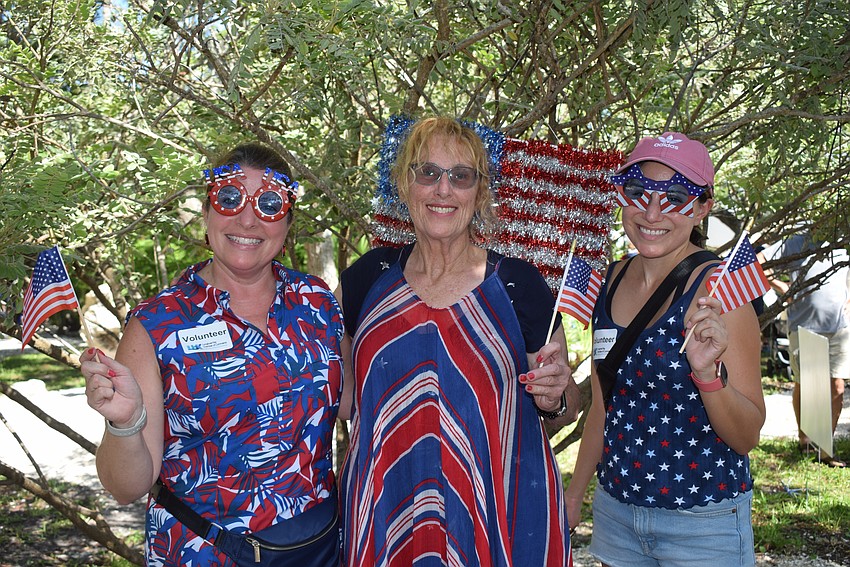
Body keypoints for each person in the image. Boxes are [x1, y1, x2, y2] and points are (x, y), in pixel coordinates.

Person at [80, 142, 345, 566]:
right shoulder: (156, 324)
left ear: (288, 223)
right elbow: (126, 487)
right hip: (205, 552)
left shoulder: (317, 302)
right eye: (229, 197)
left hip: (317, 549)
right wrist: (126, 422)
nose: (247, 217)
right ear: (206, 214)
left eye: (270, 204)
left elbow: (353, 403)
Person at [337, 117, 580, 566]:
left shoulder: (519, 285)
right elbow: (344, 395)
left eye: (460, 176)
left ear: (481, 192)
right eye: (428, 172)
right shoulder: (365, 280)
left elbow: (564, 401)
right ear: (404, 183)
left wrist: (556, 395)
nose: (443, 189)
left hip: (500, 510)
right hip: (387, 506)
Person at [564, 133, 765, 566]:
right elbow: (603, 407)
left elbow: (747, 436)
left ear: (702, 207)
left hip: (702, 527)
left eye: (676, 197)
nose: (653, 212)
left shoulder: (721, 293)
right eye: (638, 193)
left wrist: (708, 377)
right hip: (617, 518)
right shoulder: (609, 281)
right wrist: (574, 495)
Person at [761, 230, 849, 467]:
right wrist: (784, 289)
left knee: (837, 386)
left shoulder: (842, 237)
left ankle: (824, 447)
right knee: (810, 387)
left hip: (840, 327)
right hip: (806, 325)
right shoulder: (798, 240)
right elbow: (761, 261)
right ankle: (806, 439)